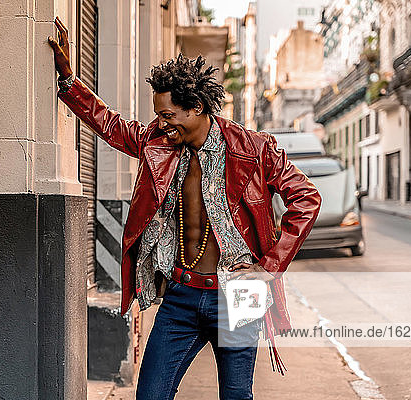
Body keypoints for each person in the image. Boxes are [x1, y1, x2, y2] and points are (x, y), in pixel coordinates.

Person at [48, 17, 321, 400]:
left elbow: (306, 198)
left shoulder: (253, 148)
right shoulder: (159, 142)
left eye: (168, 115)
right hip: (182, 294)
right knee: (151, 394)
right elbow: (112, 127)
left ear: (194, 107)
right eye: (158, 116)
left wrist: (269, 266)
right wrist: (69, 82)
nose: (161, 123)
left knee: (236, 395)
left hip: (239, 294)